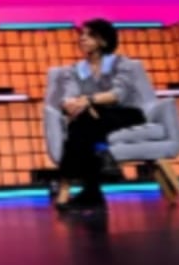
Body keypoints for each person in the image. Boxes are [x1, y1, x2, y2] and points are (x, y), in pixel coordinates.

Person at [55, 18, 147, 213]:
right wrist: (69, 104)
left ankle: (68, 186)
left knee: (80, 126)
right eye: (82, 34)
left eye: (89, 35)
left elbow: (118, 94)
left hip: (126, 113)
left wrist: (88, 100)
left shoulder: (121, 63)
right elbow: (69, 94)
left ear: (104, 41)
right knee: (83, 125)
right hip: (93, 117)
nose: (82, 38)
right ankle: (92, 189)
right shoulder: (75, 70)